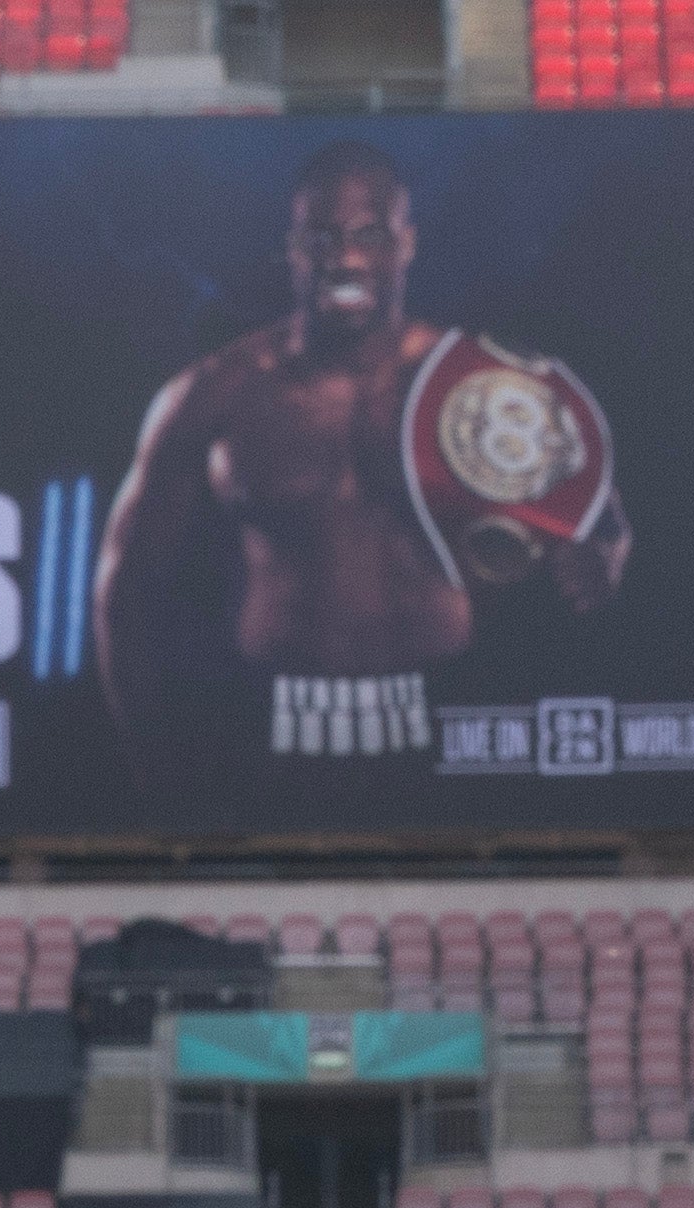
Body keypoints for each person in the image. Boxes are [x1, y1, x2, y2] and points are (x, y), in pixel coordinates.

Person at [97, 143, 631, 771]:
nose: (346, 259)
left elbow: (598, 507)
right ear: (293, 250)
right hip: (264, 723)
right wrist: (148, 767)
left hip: (450, 716)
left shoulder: (474, 382)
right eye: (321, 239)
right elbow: (126, 592)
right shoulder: (217, 394)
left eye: (369, 234)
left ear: (407, 243)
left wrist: (608, 555)